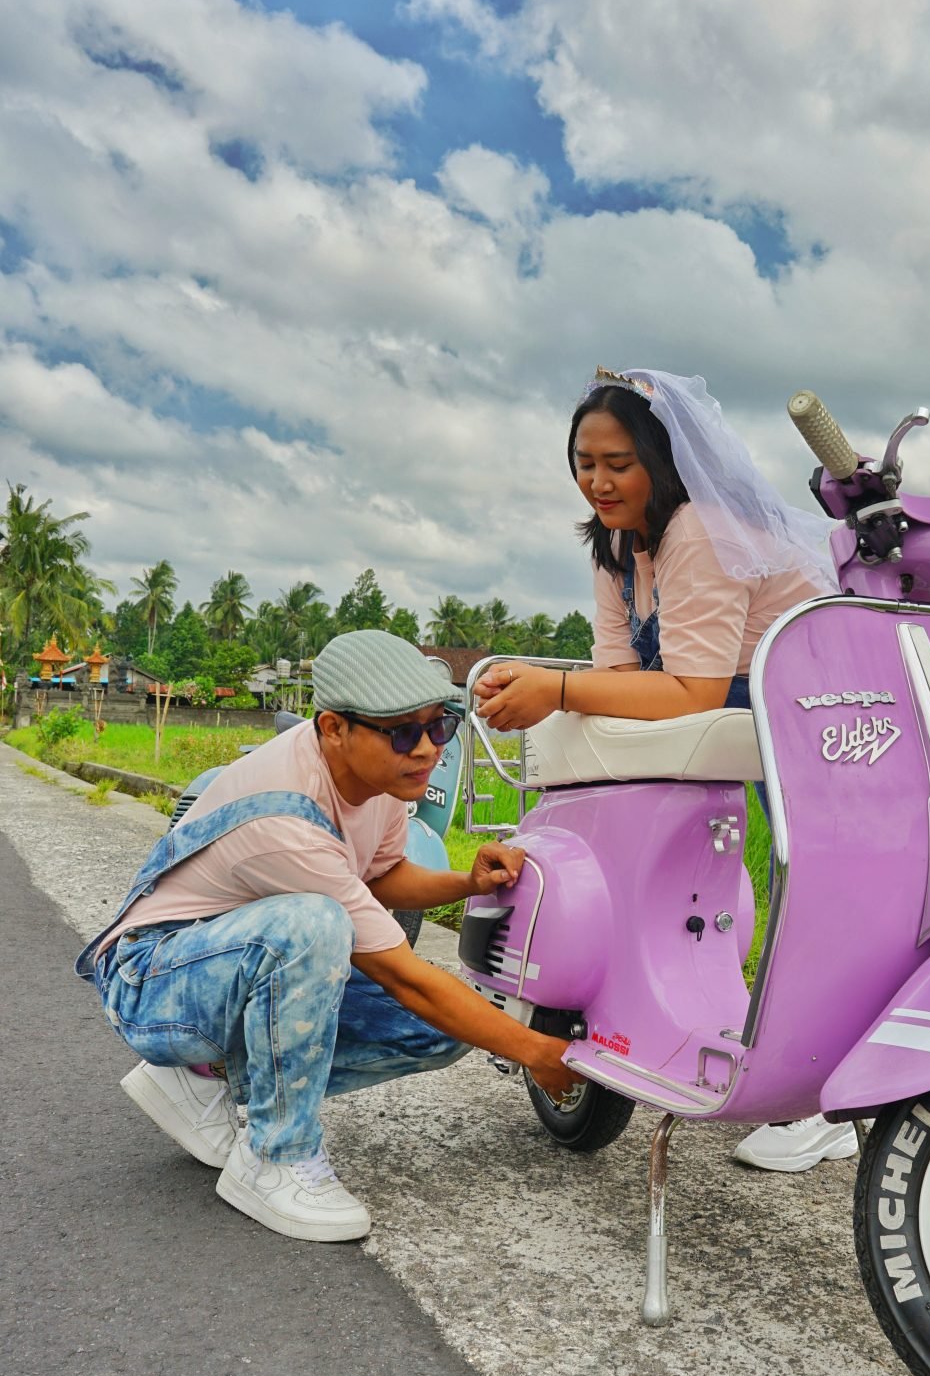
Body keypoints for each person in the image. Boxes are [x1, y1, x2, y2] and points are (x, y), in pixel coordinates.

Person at [474, 367, 857, 1173]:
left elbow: (691, 690)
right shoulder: (616, 544)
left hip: (806, 702)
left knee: (819, 883)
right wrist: (546, 692)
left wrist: (555, 689)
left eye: (619, 464)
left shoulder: (699, 534)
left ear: (661, 460)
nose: (599, 482)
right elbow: (619, 674)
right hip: (727, 707)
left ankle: (826, 1100)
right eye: (585, 463)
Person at [78, 629, 573, 1243]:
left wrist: (466, 882)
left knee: (442, 1031)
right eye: (403, 732)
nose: (427, 750)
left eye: (439, 726)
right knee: (316, 926)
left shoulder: (378, 779)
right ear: (335, 727)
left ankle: (205, 1076)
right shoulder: (283, 816)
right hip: (154, 981)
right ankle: (275, 1158)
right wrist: (537, 1053)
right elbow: (406, 977)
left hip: (235, 968)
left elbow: (382, 875)